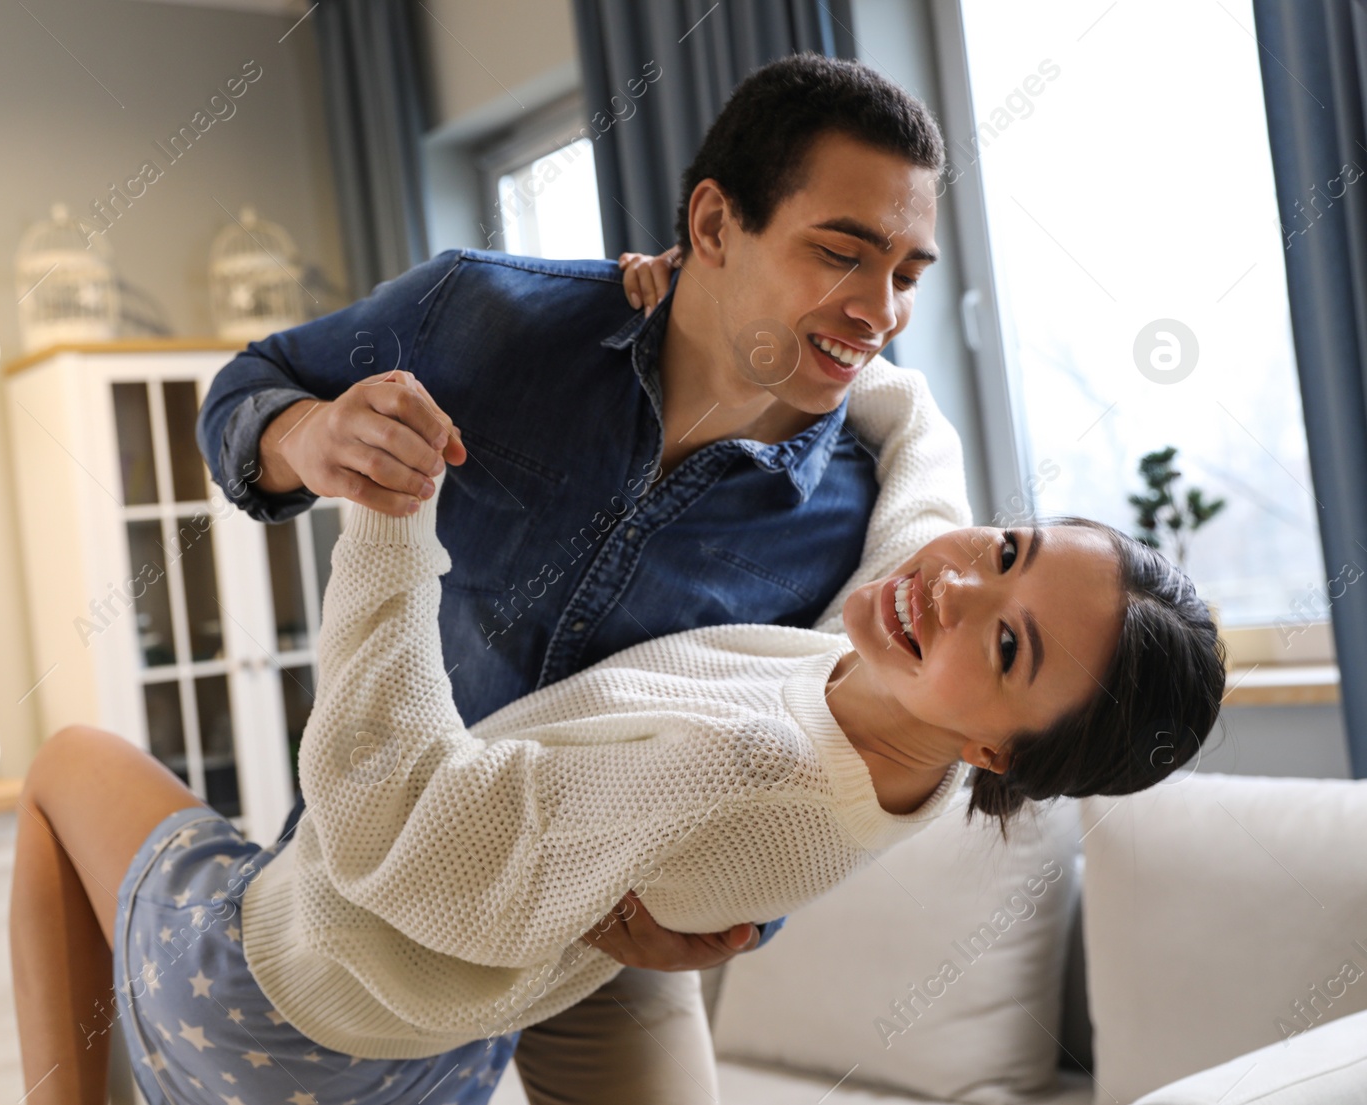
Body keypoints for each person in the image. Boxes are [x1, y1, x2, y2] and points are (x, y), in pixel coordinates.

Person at [9, 420, 1226, 1105]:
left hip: (281, 999)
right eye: (1009, 543)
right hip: (428, 1058)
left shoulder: (745, 766)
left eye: (1007, 638)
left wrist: (390, 519)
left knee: (64, 760)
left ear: (999, 747)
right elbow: (922, 467)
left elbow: (387, 820)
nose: (956, 581)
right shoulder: (915, 726)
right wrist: (865, 353)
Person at [189, 51, 961, 1104]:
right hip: (367, 883)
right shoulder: (484, 317)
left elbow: (813, 755)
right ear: (712, 226)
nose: (879, 309)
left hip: (589, 935)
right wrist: (307, 433)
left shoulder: (853, 528)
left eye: (908, 273)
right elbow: (246, 384)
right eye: (840, 253)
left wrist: (722, 920)